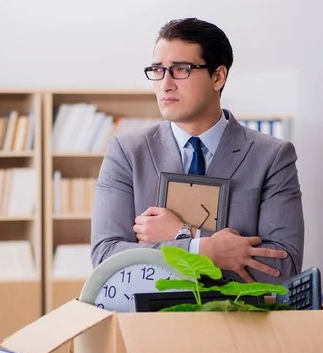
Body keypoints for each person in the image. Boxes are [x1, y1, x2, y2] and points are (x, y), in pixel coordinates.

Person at [91, 17, 304, 284]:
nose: (165, 84)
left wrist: (184, 233)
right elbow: (106, 259)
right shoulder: (127, 153)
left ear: (218, 76)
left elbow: (282, 269)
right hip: (151, 322)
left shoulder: (273, 156)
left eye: (181, 69)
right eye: (157, 70)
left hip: (239, 321)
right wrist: (203, 249)